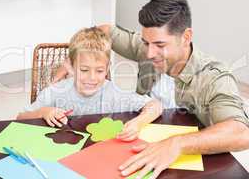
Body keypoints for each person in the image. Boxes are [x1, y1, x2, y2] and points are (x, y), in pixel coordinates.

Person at [53, 0, 249, 179]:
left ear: (186, 37)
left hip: (189, 163)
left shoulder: (214, 77)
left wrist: (176, 144)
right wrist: (69, 61)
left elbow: (240, 133)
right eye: (146, 43)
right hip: (136, 148)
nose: (148, 53)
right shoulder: (148, 48)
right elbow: (104, 30)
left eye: (159, 44)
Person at [17, 27, 162, 142]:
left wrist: (138, 123)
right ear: (71, 67)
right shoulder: (56, 91)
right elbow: (20, 118)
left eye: (99, 70)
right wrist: (43, 112)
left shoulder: (113, 92)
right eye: (84, 70)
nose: (92, 78)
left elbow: (155, 106)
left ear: (107, 68)